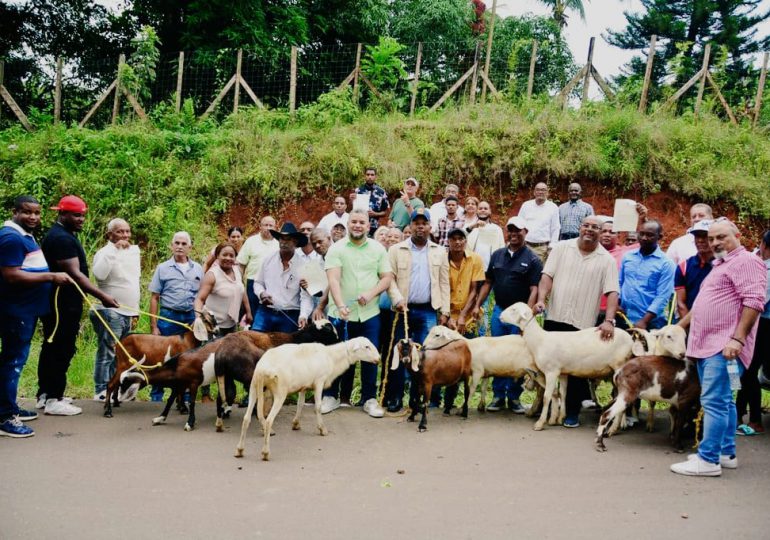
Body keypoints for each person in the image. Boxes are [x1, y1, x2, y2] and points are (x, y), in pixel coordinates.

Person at [671, 219, 767, 476]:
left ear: (737, 235)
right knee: (724, 401)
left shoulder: (746, 261)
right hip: (709, 346)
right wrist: (679, 327)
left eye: (721, 237)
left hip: (724, 347)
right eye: (711, 239)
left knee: (713, 401)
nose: (714, 243)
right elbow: (705, 303)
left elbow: (755, 301)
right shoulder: (722, 264)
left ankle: (708, 459)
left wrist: (737, 339)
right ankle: (726, 453)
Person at [35, 196, 119, 415]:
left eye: (83, 215)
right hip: (62, 304)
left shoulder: (62, 234)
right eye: (76, 215)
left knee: (52, 346)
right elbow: (76, 275)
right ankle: (54, 399)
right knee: (61, 348)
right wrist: (103, 297)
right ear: (62, 214)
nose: (81, 219)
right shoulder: (61, 239)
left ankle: (45, 395)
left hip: (62, 302)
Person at [535, 215, 619, 428]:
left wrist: (609, 320)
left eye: (595, 227)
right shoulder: (562, 248)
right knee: (551, 366)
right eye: (586, 225)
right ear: (580, 227)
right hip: (555, 316)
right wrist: (540, 300)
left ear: (601, 232)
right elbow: (547, 276)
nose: (590, 230)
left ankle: (572, 412)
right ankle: (549, 410)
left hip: (583, 324)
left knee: (576, 371)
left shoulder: (606, 260)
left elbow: (612, 292)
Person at [0, 196, 70, 437]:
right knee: (13, 363)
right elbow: (12, 275)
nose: (33, 217)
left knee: (14, 360)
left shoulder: (23, 235)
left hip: (26, 311)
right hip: (17, 311)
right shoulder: (11, 237)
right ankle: (5, 417)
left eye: (37, 213)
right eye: (27, 212)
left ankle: (8, 406)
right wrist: (51, 277)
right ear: (15, 211)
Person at [320, 209, 392, 418]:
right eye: (354, 222)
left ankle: (369, 399)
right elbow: (333, 279)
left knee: (370, 356)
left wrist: (370, 294)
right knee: (337, 357)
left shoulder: (378, 249)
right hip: (341, 313)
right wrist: (341, 305)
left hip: (370, 313)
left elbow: (386, 277)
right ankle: (330, 396)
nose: (358, 225)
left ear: (369, 226)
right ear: (348, 224)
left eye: (362, 222)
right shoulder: (337, 249)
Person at [385, 208, 450, 412]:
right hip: (402, 311)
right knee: (399, 354)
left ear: (430, 227)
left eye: (424, 223)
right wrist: (396, 299)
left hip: (428, 311)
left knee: (424, 357)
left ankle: (418, 398)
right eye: (416, 223)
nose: (420, 226)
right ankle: (394, 398)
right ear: (410, 226)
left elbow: (444, 283)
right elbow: (389, 279)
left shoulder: (439, 251)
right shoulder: (396, 250)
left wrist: (445, 311)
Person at [475, 217, 543, 412]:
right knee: (497, 354)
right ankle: (497, 396)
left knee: (517, 356)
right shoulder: (497, 255)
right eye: (510, 230)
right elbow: (488, 282)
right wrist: (478, 304)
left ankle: (513, 397)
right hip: (499, 311)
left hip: (519, 317)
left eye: (518, 231)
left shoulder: (532, 259)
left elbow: (534, 289)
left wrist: (527, 316)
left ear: (525, 232)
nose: (514, 234)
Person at [148, 231, 204, 401]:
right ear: (171, 246)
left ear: (190, 247)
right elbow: (154, 298)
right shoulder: (163, 268)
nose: (180, 246)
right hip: (168, 318)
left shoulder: (198, 269)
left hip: (189, 320)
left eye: (183, 244)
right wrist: (154, 326)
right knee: (162, 358)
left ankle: (185, 396)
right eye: (177, 243)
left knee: (189, 358)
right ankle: (156, 397)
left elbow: (202, 296)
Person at [89, 218, 141, 402]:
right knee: (108, 351)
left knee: (123, 354)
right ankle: (101, 390)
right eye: (120, 232)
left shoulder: (133, 252)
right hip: (110, 311)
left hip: (129, 312)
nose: (125, 235)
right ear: (109, 234)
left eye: (127, 231)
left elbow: (133, 280)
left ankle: (115, 388)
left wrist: (136, 309)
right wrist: (114, 250)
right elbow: (100, 274)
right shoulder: (104, 252)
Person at [443, 227, 485, 410]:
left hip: (469, 317)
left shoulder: (475, 259)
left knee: (469, 361)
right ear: (448, 242)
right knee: (448, 361)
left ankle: (467, 403)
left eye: (461, 238)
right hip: (447, 316)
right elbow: (440, 288)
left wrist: (462, 316)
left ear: (465, 241)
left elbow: (475, 289)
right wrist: (447, 315)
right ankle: (444, 402)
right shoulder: (441, 260)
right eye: (454, 239)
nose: (458, 242)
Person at [735, 229, 770, 435]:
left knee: (750, 369)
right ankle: (740, 416)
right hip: (750, 321)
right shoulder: (750, 259)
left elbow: (759, 299)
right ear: (764, 245)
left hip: (763, 324)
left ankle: (753, 418)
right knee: (746, 369)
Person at [252, 223, 313, 332]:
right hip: (266, 311)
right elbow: (258, 282)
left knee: (284, 348)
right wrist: (262, 294)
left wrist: (303, 315)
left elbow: (306, 296)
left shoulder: (304, 266)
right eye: (281, 239)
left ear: (295, 242)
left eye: (288, 239)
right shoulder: (268, 260)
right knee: (256, 342)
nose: (283, 242)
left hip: (290, 314)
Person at [619, 220, 675, 330]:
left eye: (650, 235)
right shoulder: (628, 257)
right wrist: (617, 304)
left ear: (659, 237)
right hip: (623, 317)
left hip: (649, 323)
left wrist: (644, 320)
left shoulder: (666, 263)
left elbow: (663, 296)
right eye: (641, 234)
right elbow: (619, 282)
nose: (644, 238)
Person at [195, 243, 251, 336]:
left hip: (232, 325)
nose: (228, 258)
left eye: (231, 256)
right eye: (224, 255)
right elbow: (199, 299)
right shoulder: (212, 275)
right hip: (214, 327)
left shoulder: (237, 271)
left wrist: (248, 311)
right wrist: (199, 318)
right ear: (217, 256)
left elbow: (241, 290)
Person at [237, 216, 278, 317]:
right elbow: (241, 264)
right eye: (265, 225)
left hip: (273, 283)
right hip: (252, 282)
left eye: (271, 225)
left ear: (275, 228)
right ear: (260, 227)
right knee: (253, 313)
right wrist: (239, 282)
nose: (268, 228)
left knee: (271, 313)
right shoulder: (251, 241)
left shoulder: (278, 244)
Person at [674, 219, 714, 319]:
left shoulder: (724, 265)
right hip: (690, 322)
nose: (700, 240)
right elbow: (681, 303)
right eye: (697, 236)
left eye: (705, 236)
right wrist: (690, 328)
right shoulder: (684, 266)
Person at [518, 182, 560, 263]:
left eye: (543, 190)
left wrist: (552, 246)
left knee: (539, 272)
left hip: (542, 248)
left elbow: (555, 228)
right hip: (525, 246)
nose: (540, 192)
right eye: (538, 190)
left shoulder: (553, 207)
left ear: (547, 193)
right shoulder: (526, 205)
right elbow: (519, 224)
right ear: (534, 192)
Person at [350, 167, 389, 236]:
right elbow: (352, 209)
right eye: (368, 175)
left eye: (372, 175)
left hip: (374, 228)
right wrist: (351, 200)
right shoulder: (358, 191)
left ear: (376, 176)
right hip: (359, 226)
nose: (370, 177)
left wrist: (375, 214)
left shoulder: (381, 192)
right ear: (364, 176)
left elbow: (385, 212)